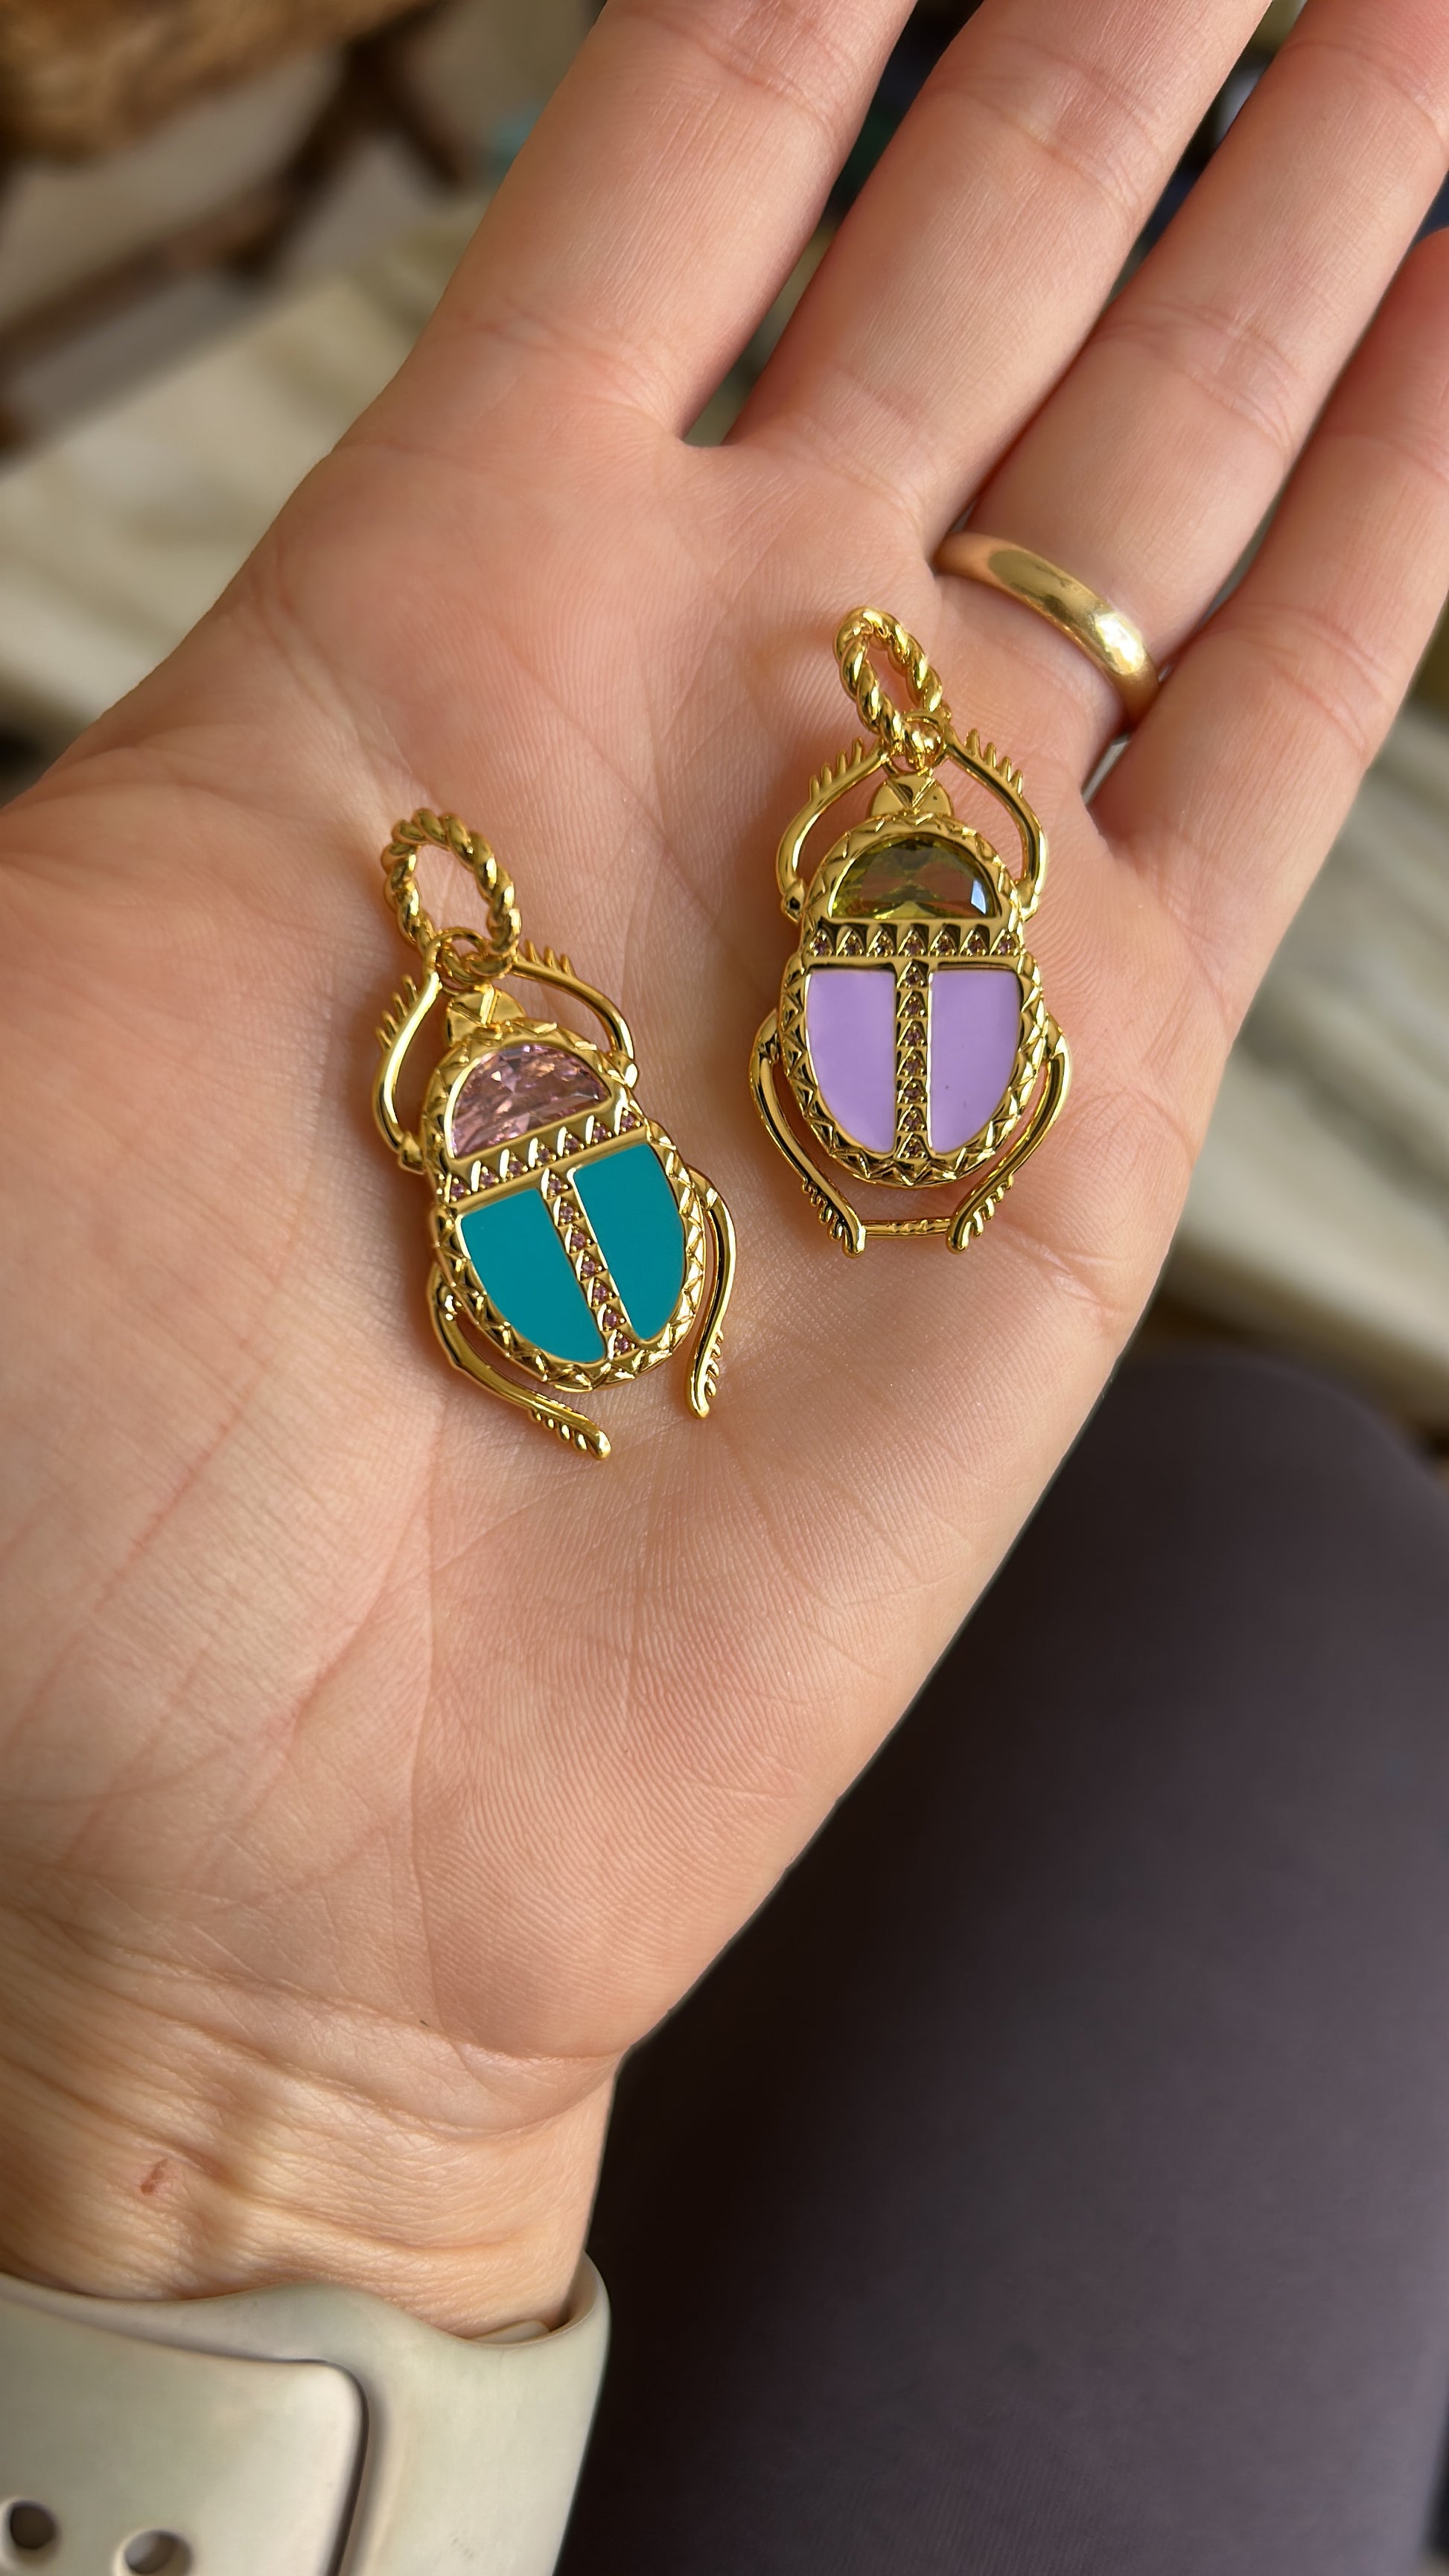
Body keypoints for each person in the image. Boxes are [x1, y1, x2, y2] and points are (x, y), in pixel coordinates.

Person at [0, 0, 1445, 2566]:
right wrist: (273, 2086)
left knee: (1276, 1516)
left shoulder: (786, 1003)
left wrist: (235, 2090)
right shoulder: (599, 1089)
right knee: (1284, 1536)